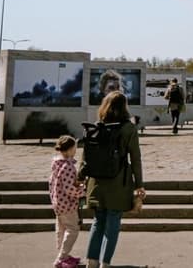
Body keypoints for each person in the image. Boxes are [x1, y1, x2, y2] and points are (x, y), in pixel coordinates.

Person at [83, 91, 145, 268]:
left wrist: (80, 177)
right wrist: (139, 184)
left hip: (96, 182)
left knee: (97, 222)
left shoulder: (96, 126)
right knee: (113, 225)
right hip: (119, 182)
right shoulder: (128, 128)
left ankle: (91, 261)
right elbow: (135, 158)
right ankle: (105, 263)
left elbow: (86, 155)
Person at [49, 135, 85, 268]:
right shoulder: (68, 166)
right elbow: (70, 189)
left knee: (61, 229)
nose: (76, 150)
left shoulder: (56, 164)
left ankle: (63, 254)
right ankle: (61, 257)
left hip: (57, 202)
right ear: (69, 149)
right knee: (73, 229)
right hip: (67, 204)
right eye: (75, 147)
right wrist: (82, 191)